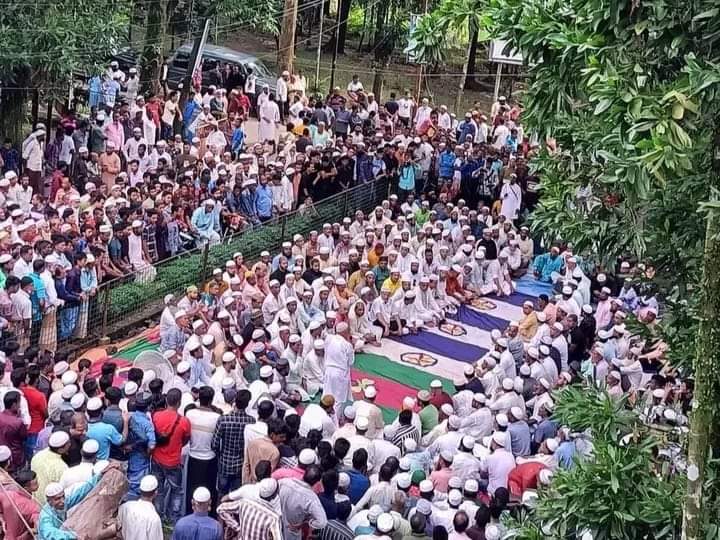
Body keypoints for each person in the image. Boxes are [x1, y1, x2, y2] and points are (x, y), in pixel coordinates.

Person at [117, 474, 164, 540]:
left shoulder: (125, 507)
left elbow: (117, 529)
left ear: (140, 490)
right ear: (155, 493)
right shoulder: (154, 518)